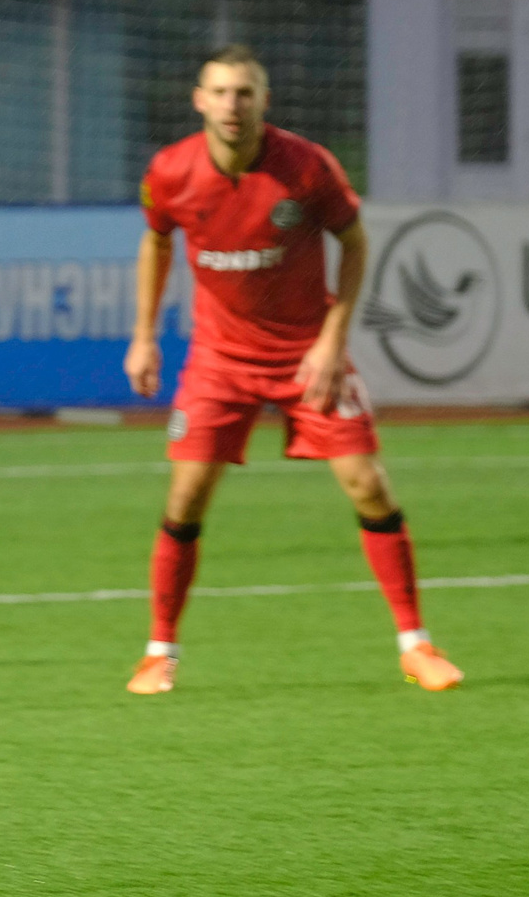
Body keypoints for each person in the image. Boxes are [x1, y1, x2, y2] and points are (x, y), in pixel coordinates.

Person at [122, 47, 462, 696]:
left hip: (306, 351)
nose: (232, 105)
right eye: (221, 92)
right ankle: (158, 651)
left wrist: (333, 339)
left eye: (244, 92)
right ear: (199, 101)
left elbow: (354, 242)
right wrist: (144, 336)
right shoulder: (170, 172)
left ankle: (416, 645)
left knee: (368, 484)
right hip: (219, 358)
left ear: (263, 101)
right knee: (186, 497)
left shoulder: (306, 167)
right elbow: (157, 240)